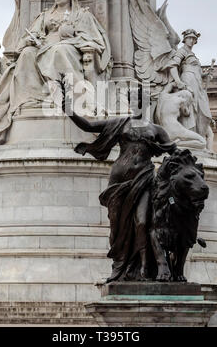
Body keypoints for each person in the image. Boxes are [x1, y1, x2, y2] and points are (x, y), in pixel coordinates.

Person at [64, 96, 177, 282]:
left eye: (141, 102)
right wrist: (67, 108)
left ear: (147, 105)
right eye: (134, 101)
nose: (137, 105)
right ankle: (119, 267)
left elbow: (175, 152)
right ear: (130, 104)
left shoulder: (156, 130)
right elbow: (88, 126)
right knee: (116, 226)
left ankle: (143, 268)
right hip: (119, 180)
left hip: (144, 178)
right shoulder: (119, 123)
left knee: (142, 222)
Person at [0, 0, 111, 144]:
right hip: (43, 47)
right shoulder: (45, 15)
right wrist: (31, 41)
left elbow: (92, 38)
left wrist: (69, 36)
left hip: (69, 47)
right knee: (26, 54)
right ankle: (32, 99)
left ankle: (72, 97)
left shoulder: (81, 14)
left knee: (59, 50)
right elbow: (29, 35)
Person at [167, 29, 214, 150]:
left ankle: (196, 135)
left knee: (198, 109)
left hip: (196, 82)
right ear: (185, 39)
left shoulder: (192, 55)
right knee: (190, 107)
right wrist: (178, 82)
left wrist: (205, 74)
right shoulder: (182, 51)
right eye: (190, 38)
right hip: (188, 79)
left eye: (194, 39)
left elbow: (196, 71)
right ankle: (189, 135)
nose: (192, 40)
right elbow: (173, 66)